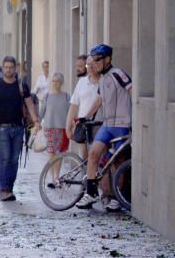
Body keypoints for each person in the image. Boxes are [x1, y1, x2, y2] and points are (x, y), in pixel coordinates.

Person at [76, 44, 132, 211]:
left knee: (118, 162)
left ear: (108, 59)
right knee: (93, 155)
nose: (95, 64)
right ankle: (91, 193)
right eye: (93, 60)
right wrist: (85, 116)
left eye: (99, 60)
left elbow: (132, 90)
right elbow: (99, 100)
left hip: (122, 125)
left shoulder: (118, 74)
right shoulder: (103, 79)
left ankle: (116, 197)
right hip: (107, 125)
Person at [0, 55, 41, 202]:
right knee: (5, 159)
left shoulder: (21, 84)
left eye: (11, 67)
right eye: (6, 67)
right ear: (2, 68)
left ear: (15, 68)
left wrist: (36, 121)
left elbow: (29, 104)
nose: (8, 70)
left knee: (14, 160)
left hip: (18, 128)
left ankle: (9, 188)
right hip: (2, 128)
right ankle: (4, 189)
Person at [65, 54, 103, 160]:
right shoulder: (82, 82)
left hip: (101, 125)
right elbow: (74, 106)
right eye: (87, 65)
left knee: (98, 157)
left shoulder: (104, 81)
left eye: (92, 65)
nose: (89, 68)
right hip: (84, 126)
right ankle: (86, 176)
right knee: (84, 159)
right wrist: (67, 127)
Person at [39, 73, 70, 185]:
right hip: (49, 128)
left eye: (57, 81)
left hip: (62, 129)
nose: (55, 83)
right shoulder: (47, 96)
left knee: (60, 153)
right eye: (53, 81)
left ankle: (57, 176)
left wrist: (71, 125)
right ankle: (52, 177)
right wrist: (37, 123)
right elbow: (41, 112)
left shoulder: (66, 96)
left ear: (61, 83)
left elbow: (70, 112)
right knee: (51, 152)